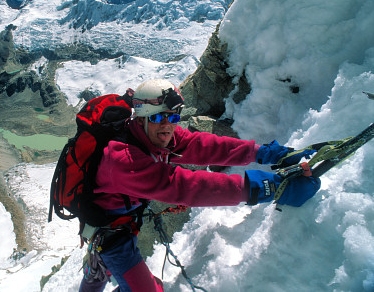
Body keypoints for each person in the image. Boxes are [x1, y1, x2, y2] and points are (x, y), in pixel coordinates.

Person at [78, 79, 320, 292]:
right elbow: (184, 186)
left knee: (120, 275)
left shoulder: (155, 135)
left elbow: (202, 145)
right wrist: (267, 188)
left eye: (173, 117)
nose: (167, 126)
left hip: (125, 219)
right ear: (140, 118)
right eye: (158, 117)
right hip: (111, 235)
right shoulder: (122, 159)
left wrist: (263, 153)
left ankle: (97, 269)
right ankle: (101, 264)